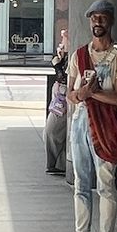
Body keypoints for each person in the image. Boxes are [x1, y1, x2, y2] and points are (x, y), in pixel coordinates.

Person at [54, 0, 117, 232]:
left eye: (102, 17)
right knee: (80, 182)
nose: (98, 22)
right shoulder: (79, 55)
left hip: (107, 126)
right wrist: (82, 94)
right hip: (80, 125)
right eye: (93, 18)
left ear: (111, 21)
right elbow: (71, 94)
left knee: (106, 184)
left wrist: (93, 93)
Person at [45, 30, 70, 175]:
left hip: (65, 94)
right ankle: (58, 164)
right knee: (53, 130)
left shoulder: (75, 56)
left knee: (52, 130)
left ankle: (56, 163)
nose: (62, 40)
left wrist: (57, 65)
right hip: (60, 94)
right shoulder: (65, 56)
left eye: (65, 37)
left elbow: (66, 76)